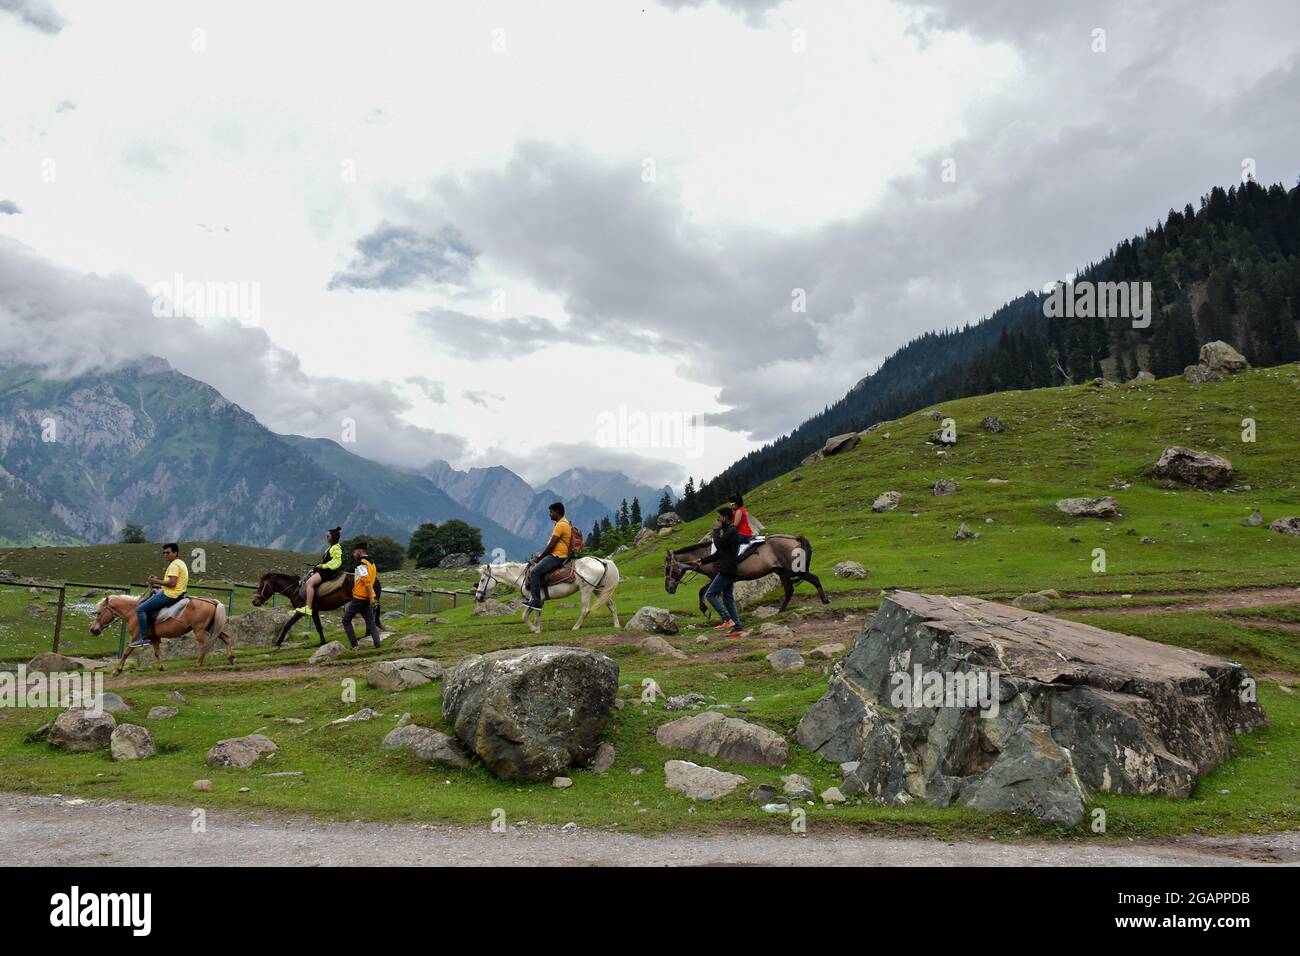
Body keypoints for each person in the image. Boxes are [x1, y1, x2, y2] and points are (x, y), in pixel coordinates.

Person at [695, 507, 746, 637]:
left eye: (719, 517)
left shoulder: (732, 531)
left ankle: (726, 619)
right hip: (729, 569)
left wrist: (716, 530)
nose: (717, 520)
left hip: (727, 570)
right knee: (728, 599)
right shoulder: (728, 532)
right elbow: (719, 553)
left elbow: (717, 544)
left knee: (710, 594)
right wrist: (702, 561)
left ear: (725, 518)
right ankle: (738, 627)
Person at [128, 542, 188, 648]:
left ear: (175, 553)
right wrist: (158, 581)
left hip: (169, 595)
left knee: (140, 609)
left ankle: (143, 638)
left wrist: (155, 581)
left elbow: (172, 583)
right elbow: (171, 581)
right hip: (177, 594)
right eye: (164, 553)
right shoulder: (180, 563)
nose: (165, 555)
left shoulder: (174, 565)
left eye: (168, 552)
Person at [525, 502, 571, 612]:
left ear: (557, 512)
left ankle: (536, 601)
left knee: (535, 572)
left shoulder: (561, 525)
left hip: (557, 556)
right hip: (557, 554)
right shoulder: (563, 523)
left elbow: (552, 545)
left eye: (551, 512)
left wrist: (540, 557)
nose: (549, 514)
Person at [341, 540, 383, 649]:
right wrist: (372, 597)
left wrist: (371, 598)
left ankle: (355, 646)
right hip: (368, 597)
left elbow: (367, 582)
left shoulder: (361, 564)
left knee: (346, 620)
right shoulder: (372, 563)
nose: (353, 553)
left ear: (359, 551)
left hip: (360, 597)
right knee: (370, 622)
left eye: (354, 551)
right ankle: (378, 645)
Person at [298, 526, 343, 615]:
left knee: (309, 583)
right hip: (325, 570)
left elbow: (337, 562)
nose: (326, 538)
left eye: (328, 536)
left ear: (333, 538)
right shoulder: (330, 548)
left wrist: (323, 566)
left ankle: (308, 607)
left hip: (327, 572)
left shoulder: (336, 548)